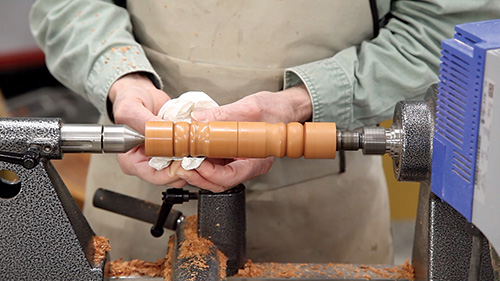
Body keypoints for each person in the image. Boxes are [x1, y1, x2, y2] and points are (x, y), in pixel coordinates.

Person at [30, 0, 500, 263]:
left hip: (324, 209)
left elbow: (444, 26)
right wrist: (122, 81)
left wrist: (304, 101)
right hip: (136, 181)